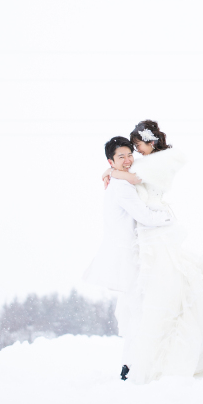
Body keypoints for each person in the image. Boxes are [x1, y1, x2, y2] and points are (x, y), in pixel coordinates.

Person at [93, 121, 203, 384]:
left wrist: (113, 171)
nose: (133, 154)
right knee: (152, 300)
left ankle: (142, 361)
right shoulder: (138, 166)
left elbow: (136, 179)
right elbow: (130, 175)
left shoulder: (158, 163)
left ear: (150, 142)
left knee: (160, 296)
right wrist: (112, 170)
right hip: (147, 235)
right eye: (126, 153)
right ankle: (137, 360)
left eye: (135, 148)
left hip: (155, 228)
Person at [82, 136, 175, 377]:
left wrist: (113, 172)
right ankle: (133, 365)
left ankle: (134, 362)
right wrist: (168, 219)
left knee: (139, 308)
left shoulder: (119, 179)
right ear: (111, 161)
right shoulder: (121, 186)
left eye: (129, 154)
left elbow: (141, 175)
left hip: (133, 253)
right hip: (130, 257)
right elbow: (143, 215)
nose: (127, 160)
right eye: (120, 157)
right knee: (139, 308)